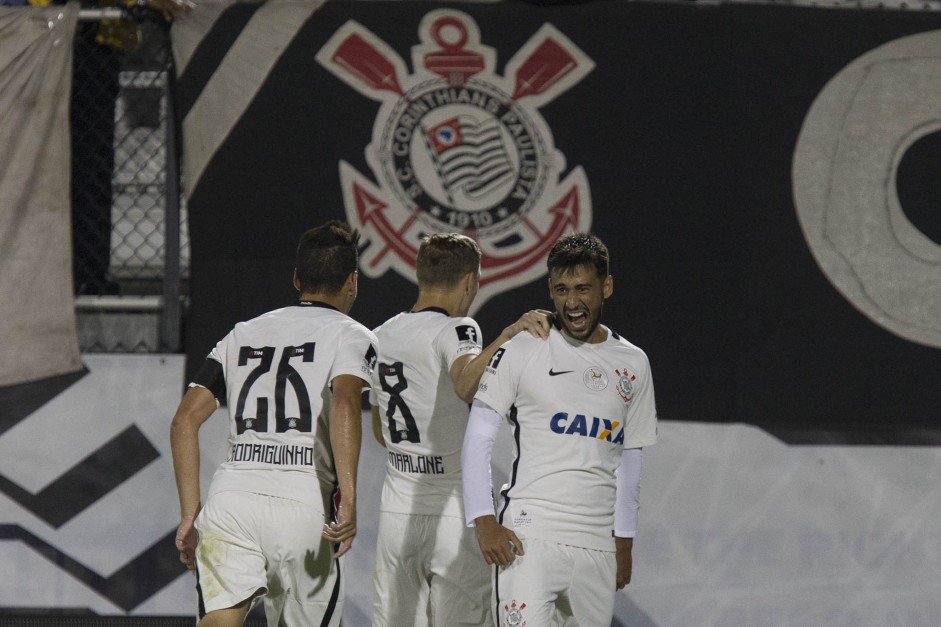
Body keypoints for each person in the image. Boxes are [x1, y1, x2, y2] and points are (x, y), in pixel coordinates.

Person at [170, 220, 378, 627]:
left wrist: (189, 514)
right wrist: (350, 496)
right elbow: (344, 400)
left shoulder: (243, 333)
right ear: (352, 281)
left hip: (231, 502)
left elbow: (183, 421)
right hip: (303, 510)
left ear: (297, 278)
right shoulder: (352, 335)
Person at [461, 232, 658, 626]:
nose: (572, 302)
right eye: (563, 289)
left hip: (598, 546)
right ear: (550, 290)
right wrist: (483, 520)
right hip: (530, 538)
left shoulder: (633, 363)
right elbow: (478, 436)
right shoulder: (523, 348)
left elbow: (631, 458)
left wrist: (625, 541)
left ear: (607, 287)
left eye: (583, 288)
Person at [369, 232, 551, 627]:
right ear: (470, 280)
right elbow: (465, 383)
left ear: (420, 275)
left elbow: (381, 432)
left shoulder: (381, 334)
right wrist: (506, 335)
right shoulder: (457, 329)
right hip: (453, 514)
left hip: (396, 514)